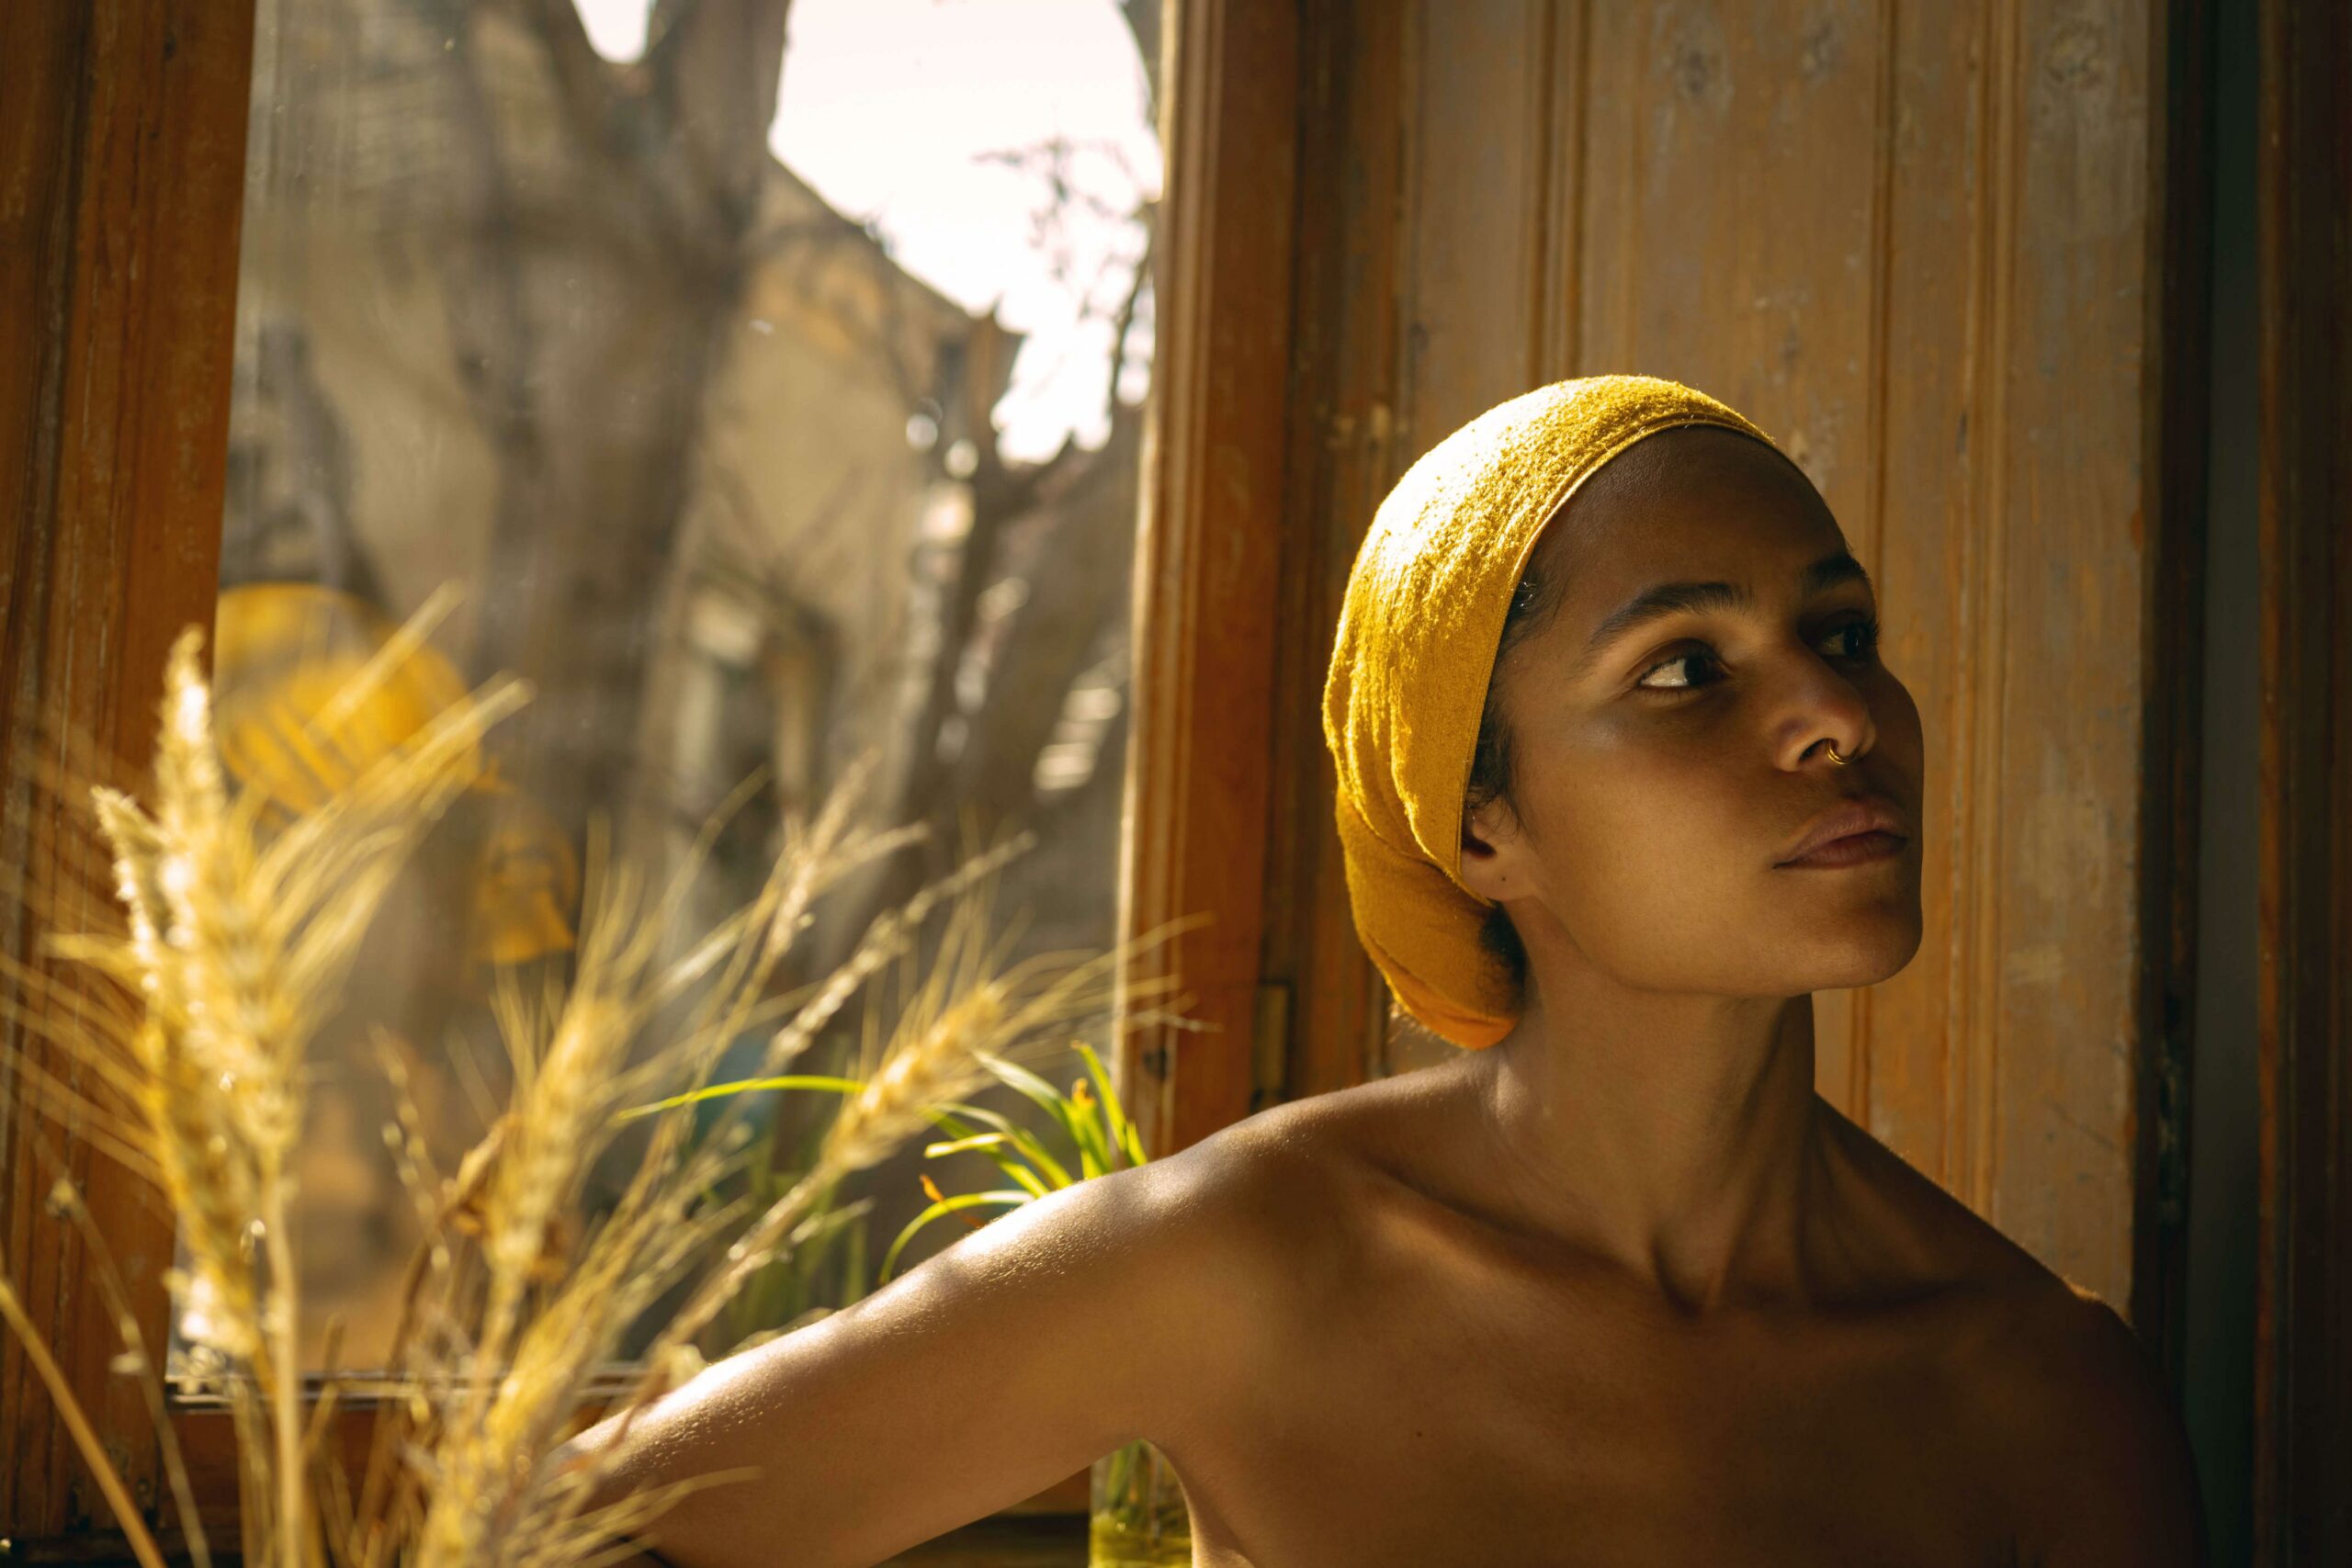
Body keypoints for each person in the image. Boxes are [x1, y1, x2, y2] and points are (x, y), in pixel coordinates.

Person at [552, 376, 2206, 1567]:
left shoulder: (2042, 1399)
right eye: (1687, 667)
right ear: (1478, 820)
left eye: (1838, 634)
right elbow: (572, 1527)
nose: (1837, 713)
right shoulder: (1250, 1264)